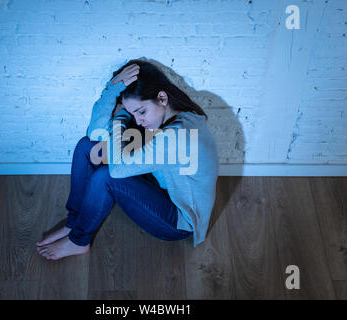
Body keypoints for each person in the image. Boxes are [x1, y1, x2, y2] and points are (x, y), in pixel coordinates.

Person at [36, 59, 219, 260]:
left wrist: (120, 118)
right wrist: (113, 89)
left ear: (162, 98)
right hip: (162, 182)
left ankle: (79, 240)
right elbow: (95, 133)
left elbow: (116, 171)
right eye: (133, 112)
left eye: (141, 112)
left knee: (107, 176)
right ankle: (74, 222)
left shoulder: (177, 136)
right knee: (86, 147)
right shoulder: (162, 118)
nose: (138, 120)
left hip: (178, 219)